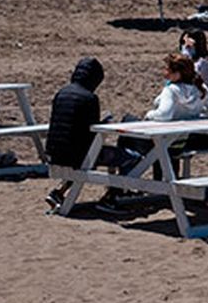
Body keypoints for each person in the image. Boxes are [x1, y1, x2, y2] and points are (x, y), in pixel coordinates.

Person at [44, 57, 139, 212]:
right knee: (130, 158)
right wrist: (105, 124)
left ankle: (59, 192)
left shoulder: (61, 93)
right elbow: (92, 132)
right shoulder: (89, 98)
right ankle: (113, 197)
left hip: (54, 153)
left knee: (79, 155)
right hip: (78, 155)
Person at [178, 30, 208, 101]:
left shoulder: (203, 63)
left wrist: (186, 55)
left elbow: (188, 77)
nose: (184, 47)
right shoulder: (199, 61)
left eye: (187, 46)